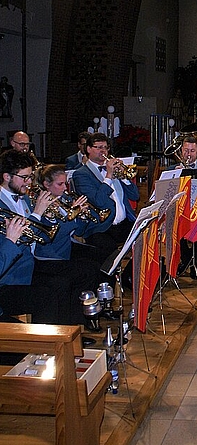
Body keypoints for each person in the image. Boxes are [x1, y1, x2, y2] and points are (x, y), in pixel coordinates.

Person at [33, 165, 109, 327]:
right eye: (60, 184)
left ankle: (97, 308)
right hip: (49, 255)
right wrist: (71, 216)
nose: (65, 188)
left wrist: (81, 216)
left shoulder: (64, 201)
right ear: (47, 184)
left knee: (99, 260)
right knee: (86, 270)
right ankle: (79, 321)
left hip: (65, 248)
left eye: (66, 184)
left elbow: (78, 231)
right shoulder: (43, 204)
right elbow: (52, 237)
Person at [0, 149, 67, 325]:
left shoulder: (23, 198)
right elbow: (18, 243)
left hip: (27, 265)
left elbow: (41, 238)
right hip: (10, 277)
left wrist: (49, 217)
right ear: (7, 177)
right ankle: (43, 346)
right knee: (46, 297)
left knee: (63, 283)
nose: (29, 182)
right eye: (24, 177)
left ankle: (66, 336)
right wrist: (37, 213)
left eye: (30, 177)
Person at [72, 132, 139, 266]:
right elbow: (99, 202)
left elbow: (135, 196)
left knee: (146, 239)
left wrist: (124, 177)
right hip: (100, 227)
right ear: (89, 149)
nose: (103, 151)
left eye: (106, 147)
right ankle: (108, 283)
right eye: (99, 147)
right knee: (109, 252)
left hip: (124, 223)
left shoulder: (115, 170)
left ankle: (129, 278)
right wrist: (108, 176)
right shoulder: (81, 174)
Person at [170, 137, 197, 279]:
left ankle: (189, 260)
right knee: (178, 227)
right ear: (181, 151)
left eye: (192, 151)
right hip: (180, 213)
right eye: (186, 150)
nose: (189, 154)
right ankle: (192, 262)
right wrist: (175, 177)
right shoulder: (172, 170)